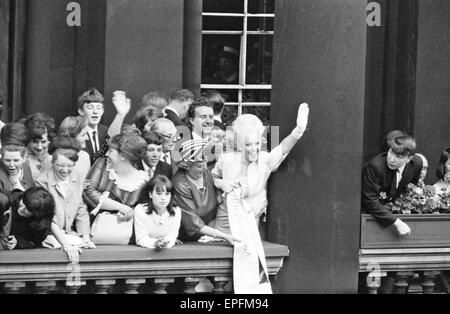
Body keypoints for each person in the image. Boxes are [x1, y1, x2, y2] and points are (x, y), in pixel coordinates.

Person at [212, 103, 310, 233]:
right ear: (239, 145)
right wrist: (220, 183)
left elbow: (283, 148)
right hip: (224, 221)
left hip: (249, 223)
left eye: (257, 143)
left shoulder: (265, 160)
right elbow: (212, 176)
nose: (253, 149)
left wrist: (298, 130)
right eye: (248, 144)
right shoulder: (227, 159)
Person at [172, 139, 238, 245]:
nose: (205, 168)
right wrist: (224, 235)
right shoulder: (180, 184)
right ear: (187, 165)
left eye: (205, 163)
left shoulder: (206, 173)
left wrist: (220, 183)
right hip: (187, 240)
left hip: (211, 234)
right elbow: (193, 223)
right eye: (199, 166)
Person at [36, 136, 95, 249]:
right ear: (53, 163)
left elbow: (80, 209)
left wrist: (86, 237)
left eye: (69, 166)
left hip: (70, 233)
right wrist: (65, 242)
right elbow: (48, 216)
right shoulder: (42, 181)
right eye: (60, 165)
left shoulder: (78, 176)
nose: (65, 170)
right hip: (49, 234)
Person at [362, 132, 422, 236]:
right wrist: (397, 222)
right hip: (369, 218)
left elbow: (411, 189)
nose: (392, 159)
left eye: (398, 156)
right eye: (391, 152)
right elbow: (370, 201)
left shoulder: (417, 163)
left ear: (409, 159)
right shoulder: (375, 167)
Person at [0, 187, 81, 262]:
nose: (21, 209)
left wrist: (17, 242)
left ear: (37, 214)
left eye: (28, 209)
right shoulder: (13, 197)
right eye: (23, 203)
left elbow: (34, 243)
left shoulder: (40, 225)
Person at [83, 133, 149, 225]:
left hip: (125, 231)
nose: (106, 154)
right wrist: (121, 207)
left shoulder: (143, 180)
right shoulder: (102, 164)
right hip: (96, 226)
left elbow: (142, 210)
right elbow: (88, 191)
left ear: (123, 155)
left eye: (110, 151)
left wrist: (130, 213)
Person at [134, 175, 181, 249]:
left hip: (165, 250)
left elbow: (172, 236)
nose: (163, 198)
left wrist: (166, 243)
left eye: (167, 194)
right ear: (150, 194)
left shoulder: (176, 211)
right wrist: (155, 243)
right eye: (159, 194)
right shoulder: (140, 210)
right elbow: (141, 238)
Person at [24, 113, 56, 181]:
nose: (39, 147)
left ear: (49, 140)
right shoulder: (21, 160)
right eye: (35, 142)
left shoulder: (53, 160)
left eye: (43, 142)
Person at [58, 116, 91, 180]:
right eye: (83, 135)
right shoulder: (53, 157)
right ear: (71, 137)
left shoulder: (85, 156)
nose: (87, 138)